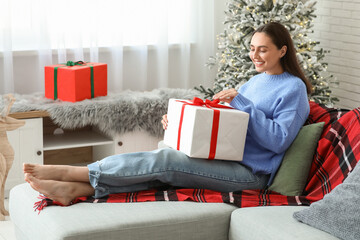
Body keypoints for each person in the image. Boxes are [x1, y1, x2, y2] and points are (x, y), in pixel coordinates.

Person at [24, 22, 311, 206]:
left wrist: (243, 104)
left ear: (283, 50)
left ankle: (73, 171)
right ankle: (76, 191)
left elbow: (279, 140)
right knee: (161, 163)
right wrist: (183, 125)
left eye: (263, 50)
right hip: (227, 157)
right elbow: (228, 123)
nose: (255, 56)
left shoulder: (293, 89)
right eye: (252, 49)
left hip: (251, 173)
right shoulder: (255, 81)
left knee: (166, 161)